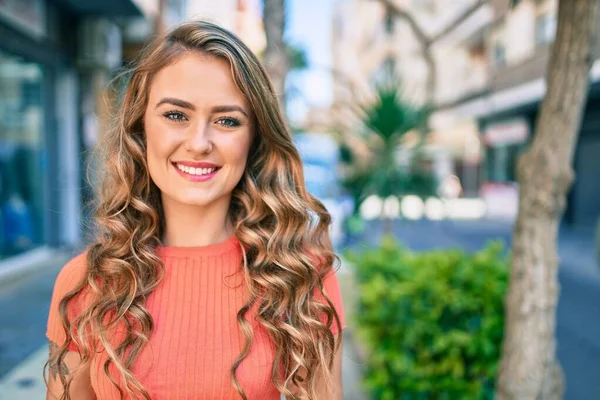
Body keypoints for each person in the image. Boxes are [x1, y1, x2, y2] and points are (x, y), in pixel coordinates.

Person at [45, 21, 346, 400]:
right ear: (140, 127)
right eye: (176, 115)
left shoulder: (301, 277)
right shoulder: (85, 283)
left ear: (254, 138)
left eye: (227, 120)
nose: (199, 143)